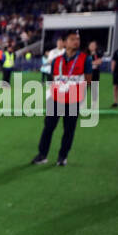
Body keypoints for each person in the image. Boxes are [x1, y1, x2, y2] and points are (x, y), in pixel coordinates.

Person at [33, 30, 92, 166]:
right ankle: (42, 155)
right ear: (65, 42)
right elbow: (54, 78)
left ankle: (62, 157)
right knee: (48, 128)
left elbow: (89, 80)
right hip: (56, 99)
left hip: (73, 100)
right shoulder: (56, 60)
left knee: (69, 130)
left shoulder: (85, 59)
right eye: (72, 39)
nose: (76, 41)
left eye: (77, 39)